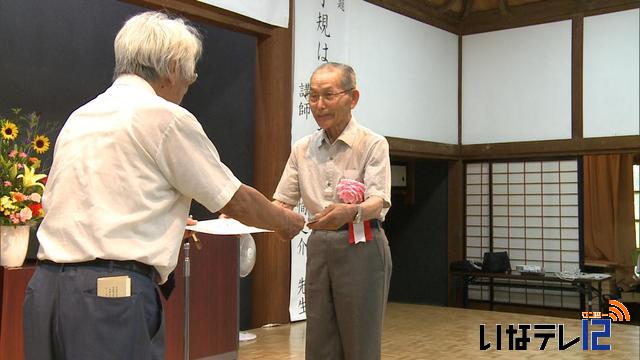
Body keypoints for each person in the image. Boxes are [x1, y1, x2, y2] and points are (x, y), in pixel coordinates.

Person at [22, 11, 304, 360]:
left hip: (44, 290)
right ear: (173, 67)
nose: (187, 87)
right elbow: (234, 199)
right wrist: (284, 221)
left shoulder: (82, 116)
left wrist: (162, 220)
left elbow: (89, 199)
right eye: (190, 76)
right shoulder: (165, 117)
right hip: (109, 296)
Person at [273, 62, 392, 360]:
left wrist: (351, 213)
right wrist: (243, 215)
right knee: (319, 340)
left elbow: (378, 200)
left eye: (328, 95)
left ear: (353, 98)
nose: (319, 105)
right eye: (313, 97)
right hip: (318, 245)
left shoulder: (372, 143)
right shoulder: (302, 148)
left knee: (359, 341)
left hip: (361, 243)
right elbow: (281, 202)